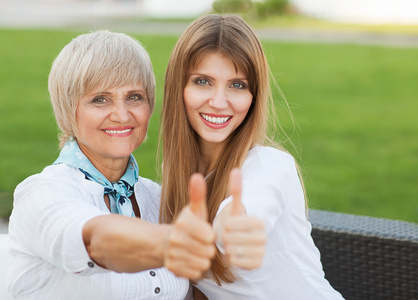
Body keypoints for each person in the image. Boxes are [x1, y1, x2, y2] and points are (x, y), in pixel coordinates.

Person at [7, 30, 216, 300]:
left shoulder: (159, 198)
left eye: (134, 97)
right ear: (69, 109)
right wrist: (170, 242)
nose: (121, 115)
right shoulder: (40, 195)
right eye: (100, 99)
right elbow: (95, 240)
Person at [160, 14, 345, 299]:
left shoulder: (270, 165)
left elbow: (250, 206)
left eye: (237, 85)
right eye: (202, 81)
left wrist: (235, 228)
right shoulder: (177, 174)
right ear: (179, 88)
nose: (219, 102)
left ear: (254, 96)